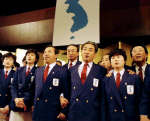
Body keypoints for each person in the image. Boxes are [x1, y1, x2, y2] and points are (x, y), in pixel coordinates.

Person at [68, 41, 107, 121]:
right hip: (74, 112)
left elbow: (103, 96)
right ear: (81, 52)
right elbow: (67, 91)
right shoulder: (72, 69)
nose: (87, 52)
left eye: (90, 50)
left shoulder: (101, 70)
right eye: (84, 49)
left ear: (95, 54)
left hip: (92, 113)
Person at [102, 49, 142, 121]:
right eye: (113, 58)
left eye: (118, 57)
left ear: (124, 60)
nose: (116, 60)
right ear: (111, 62)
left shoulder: (134, 77)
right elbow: (103, 104)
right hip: (112, 117)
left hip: (130, 117)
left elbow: (140, 100)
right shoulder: (105, 79)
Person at [32, 45, 69, 121]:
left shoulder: (63, 71)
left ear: (56, 55)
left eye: (49, 52)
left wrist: (64, 112)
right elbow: (34, 90)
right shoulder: (38, 70)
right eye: (45, 52)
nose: (46, 54)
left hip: (53, 111)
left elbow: (66, 92)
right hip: (37, 111)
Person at [9, 49, 39, 121]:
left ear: (36, 59)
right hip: (16, 104)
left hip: (28, 105)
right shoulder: (19, 69)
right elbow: (13, 86)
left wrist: (24, 100)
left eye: (32, 55)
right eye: (28, 55)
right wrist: (15, 98)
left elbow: (36, 89)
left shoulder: (38, 71)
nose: (29, 56)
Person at [0, 53, 16, 121]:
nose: (8, 61)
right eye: (6, 59)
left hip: (9, 106)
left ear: (13, 63)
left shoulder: (16, 74)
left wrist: (9, 106)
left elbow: (16, 91)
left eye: (10, 60)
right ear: (3, 61)